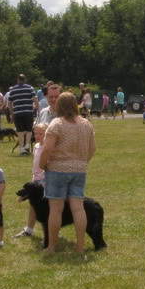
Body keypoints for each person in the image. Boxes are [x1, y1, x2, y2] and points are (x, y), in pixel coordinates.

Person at [40, 91, 96, 253]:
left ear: (60, 106)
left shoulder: (57, 124)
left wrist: (43, 165)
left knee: (55, 210)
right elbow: (92, 149)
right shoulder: (86, 124)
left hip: (57, 170)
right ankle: (80, 247)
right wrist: (82, 162)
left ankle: (51, 247)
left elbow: (47, 149)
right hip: (79, 170)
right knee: (78, 209)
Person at [13, 122, 49, 239]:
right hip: (36, 180)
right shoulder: (37, 146)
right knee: (33, 206)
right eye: (36, 133)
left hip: (45, 181)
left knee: (45, 209)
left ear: (47, 134)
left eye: (41, 133)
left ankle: (49, 233)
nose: (37, 136)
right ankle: (28, 230)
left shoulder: (48, 147)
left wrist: (44, 181)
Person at [9, 74, 37, 155]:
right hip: (28, 112)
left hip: (17, 113)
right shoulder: (30, 88)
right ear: (25, 79)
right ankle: (27, 144)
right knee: (29, 129)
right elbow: (35, 99)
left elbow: (10, 103)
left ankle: (21, 149)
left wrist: (12, 113)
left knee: (20, 131)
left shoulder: (13, 89)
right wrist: (37, 109)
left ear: (17, 80)